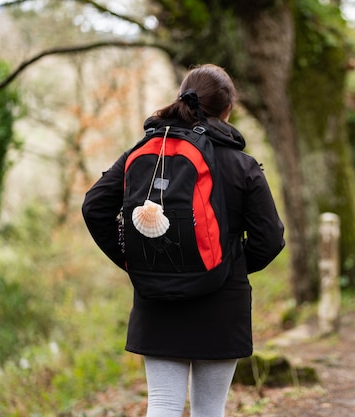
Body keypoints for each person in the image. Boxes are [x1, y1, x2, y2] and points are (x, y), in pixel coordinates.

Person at [82, 64, 285, 417]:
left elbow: (94, 207)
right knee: (210, 410)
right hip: (223, 301)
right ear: (228, 109)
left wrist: (134, 256)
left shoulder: (147, 152)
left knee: (162, 404)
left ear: (183, 100)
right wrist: (226, 263)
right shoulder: (243, 165)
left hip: (157, 296)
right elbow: (270, 239)